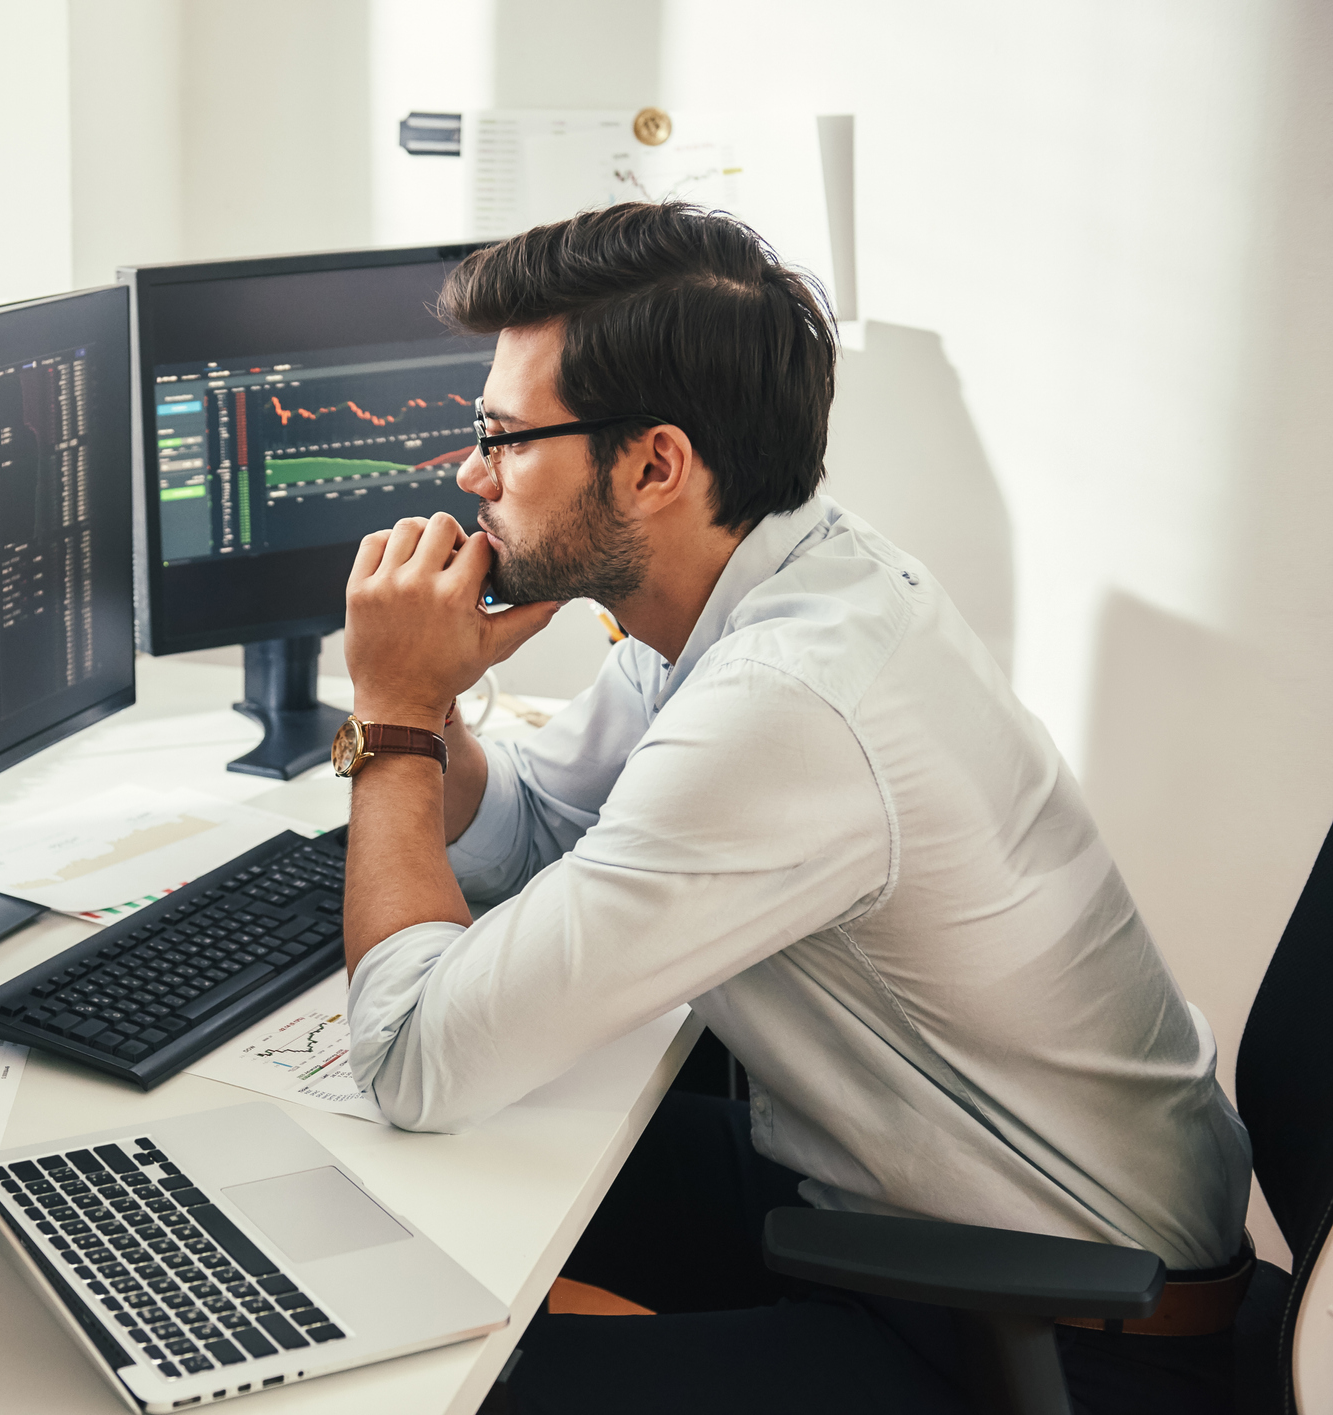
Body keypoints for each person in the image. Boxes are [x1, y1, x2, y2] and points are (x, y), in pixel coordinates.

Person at [333, 203, 1254, 1414]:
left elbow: (411, 1060)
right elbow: (544, 839)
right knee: (392, 1190)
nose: (469, 474)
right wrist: (438, 706)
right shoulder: (758, 582)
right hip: (918, 1197)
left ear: (655, 463)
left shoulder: (783, 702)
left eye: (502, 437)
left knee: (449, 1389)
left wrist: (392, 719)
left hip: (1053, 1321)